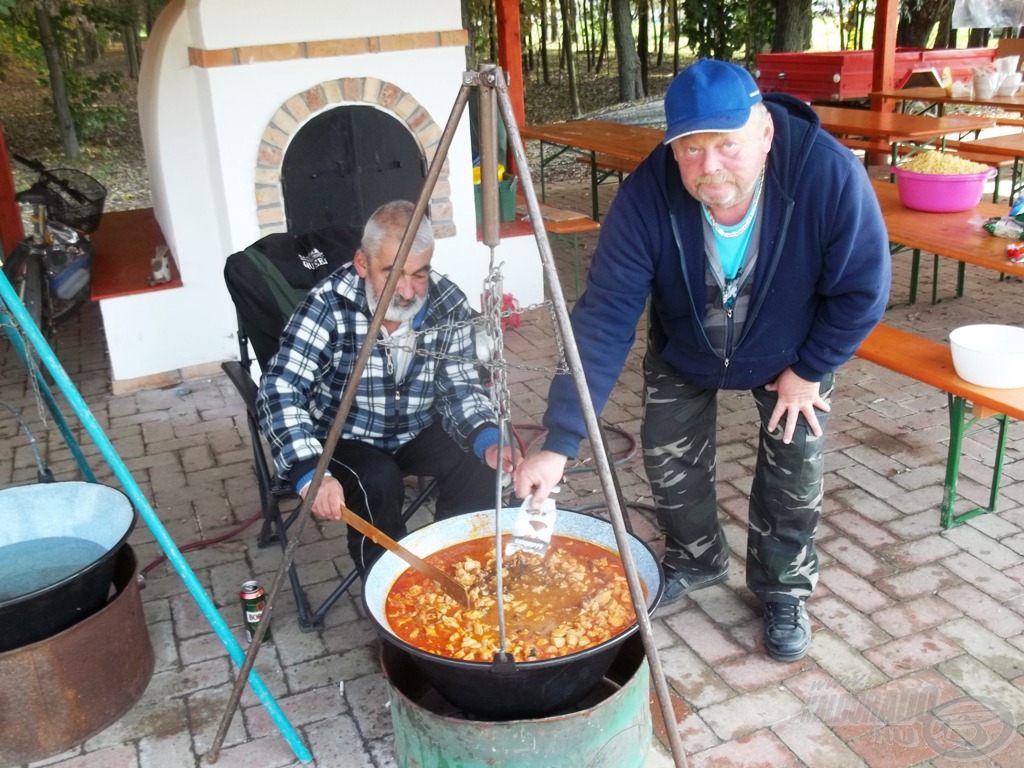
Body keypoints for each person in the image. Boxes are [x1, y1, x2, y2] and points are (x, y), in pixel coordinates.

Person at [513, 59, 890, 662]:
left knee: (794, 471)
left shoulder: (828, 174)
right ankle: (696, 558)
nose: (708, 166)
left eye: (726, 145)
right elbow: (604, 317)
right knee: (667, 457)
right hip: (686, 346)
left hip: (792, 353)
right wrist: (560, 440)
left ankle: (783, 587)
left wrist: (811, 369)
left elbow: (864, 289)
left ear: (764, 131)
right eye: (689, 149)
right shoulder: (645, 195)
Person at [258, 200, 514, 576]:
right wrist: (309, 471)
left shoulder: (447, 301)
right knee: (376, 479)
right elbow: (281, 388)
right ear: (363, 264)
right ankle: (393, 595)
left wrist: (489, 439)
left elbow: (460, 386)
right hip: (346, 438)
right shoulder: (329, 305)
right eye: (393, 274)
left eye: (420, 274)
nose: (408, 292)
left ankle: (465, 567)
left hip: (415, 427)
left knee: (478, 460)